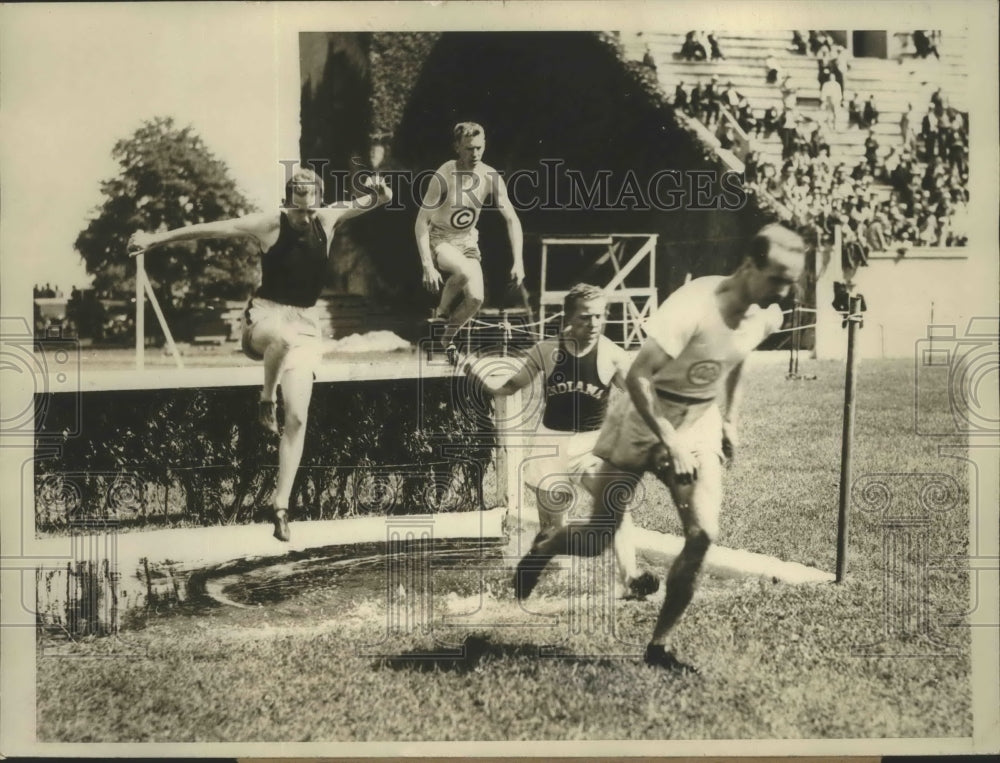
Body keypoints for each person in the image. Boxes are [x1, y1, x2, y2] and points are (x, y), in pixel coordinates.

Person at [514, 224, 807, 674]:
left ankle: (659, 647)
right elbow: (638, 377)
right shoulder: (693, 306)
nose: (785, 293)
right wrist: (669, 440)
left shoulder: (765, 312)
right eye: (778, 279)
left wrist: (729, 418)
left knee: (703, 534)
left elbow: (738, 356)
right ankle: (547, 545)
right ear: (750, 266)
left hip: (698, 423)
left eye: (791, 283)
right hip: (640, 418)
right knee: (597, 538)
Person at [128, 167, 393, 542]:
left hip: (305, 324)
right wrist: (155, 239)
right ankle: (265, 400)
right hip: (265, 319)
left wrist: (381, 196)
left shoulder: (326, 218)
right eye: (299, 211)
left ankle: (280, 506)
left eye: (311, 210)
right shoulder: (270, 224)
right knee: (281, 339)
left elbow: (374, 203)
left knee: (298, 418)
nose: (305, 218)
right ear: (287, 204)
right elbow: (214, 227)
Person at [465, 283, 658, 599]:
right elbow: (509, 386)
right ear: (568, 318)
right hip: (549, 445)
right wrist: (474, 373)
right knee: (552, 530)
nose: (593, 324)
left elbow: (641, 396)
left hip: (591, 446)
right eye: (584, 317)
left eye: (598, 317)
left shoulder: (612, 355)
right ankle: (528, 591)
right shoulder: (546, 351)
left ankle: (631, 581)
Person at [415, 122, 525, 366]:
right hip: (441, 238)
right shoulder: (444, 174)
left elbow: (511, 218)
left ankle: (447, 339)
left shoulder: (490, 176)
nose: (474, 154)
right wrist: (427, 266)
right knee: (463, 271)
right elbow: (421, 222)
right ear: (457, 147)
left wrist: (519, 261)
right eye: (468, 149)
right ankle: (441, 313)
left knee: (475, 299)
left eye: (479, 148)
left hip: (467, 241)